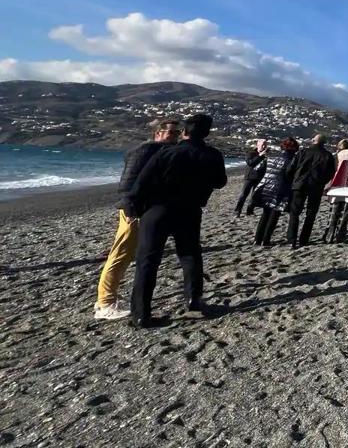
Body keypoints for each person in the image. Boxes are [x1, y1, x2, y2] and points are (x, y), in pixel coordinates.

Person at [127, 113, 227, 327]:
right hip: (190, 209)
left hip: (158, 209)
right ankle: (193, 300)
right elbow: (220, 182)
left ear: (184, 132)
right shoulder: (213, 155)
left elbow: (142, 182)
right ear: (207, 133)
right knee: (190, 254)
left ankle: (141, 314)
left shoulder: (168, 152)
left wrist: (133, 207)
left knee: (148, 260)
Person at [93, 118, 181, 321]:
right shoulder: (147, 150)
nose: (175, 137)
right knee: (121, 253)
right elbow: (128, 182)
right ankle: (105, 304)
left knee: (126, 252)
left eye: (178, 133)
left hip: (140, 208)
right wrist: (132, 208)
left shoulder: (154, 150)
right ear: (158, 133)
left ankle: (107, 299)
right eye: (172, 133)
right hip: (134, 210)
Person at [287, 134, 337, 248]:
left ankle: (292, 239)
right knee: (311, 213)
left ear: (313, 141)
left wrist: (294, 180)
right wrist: (322, 182)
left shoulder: (303, 152)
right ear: (324, 143)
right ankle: (304, 239)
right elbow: (331, 173)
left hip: (300, 185)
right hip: (316, 186)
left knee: (295, 212)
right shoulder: (328, 155)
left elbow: (291, 167)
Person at [253, 137, 299, 246]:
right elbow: (291, 175)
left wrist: (266, 177)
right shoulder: (293, 160)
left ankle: (257, 239)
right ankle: (266, 239)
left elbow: (257, 169)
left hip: (266, 185)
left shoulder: (272, 156)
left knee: (265, 213)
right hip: (281, 188)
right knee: (274, 214)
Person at [233, 139, 269, 216]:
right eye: (262, 144)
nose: (264, 146)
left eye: (265, 145)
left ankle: (250, 211)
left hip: (259, 178)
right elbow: (250, 163)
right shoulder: (251, 153)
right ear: (257, 145)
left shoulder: (265, 156)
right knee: (243, 195)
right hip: (249, 178)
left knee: (254, 196)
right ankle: (237, 211)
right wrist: (260, 156)